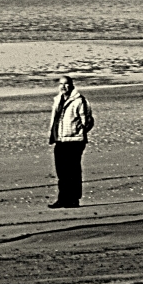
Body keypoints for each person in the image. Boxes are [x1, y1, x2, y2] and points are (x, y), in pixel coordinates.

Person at [47, 75, 94, 208]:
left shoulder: (79, 101)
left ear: (71, 85)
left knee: (73, 171)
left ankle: (73, 199)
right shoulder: (57, 100)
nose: (63, 86)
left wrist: (77, 131)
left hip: (75, 141)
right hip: (60, 140)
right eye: (61, 84)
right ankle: (62, 199)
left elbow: (87, 121)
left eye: (66, 84)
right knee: (61, 172)